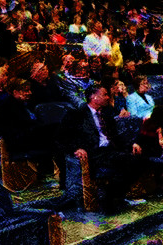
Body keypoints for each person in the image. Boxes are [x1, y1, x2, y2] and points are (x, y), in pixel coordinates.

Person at [59, 84, 143, 213]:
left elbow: (116, 136)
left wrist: (131, 144)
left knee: (139, 160)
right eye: (105, 94)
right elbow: (62, 137)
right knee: (127, 162)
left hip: (110, 150)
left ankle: (114, 197)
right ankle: (109, 201)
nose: (108, 97)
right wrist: (76, 149)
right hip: (94, 152)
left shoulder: (106, 114)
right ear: (94, 97)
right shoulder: (77, 114)